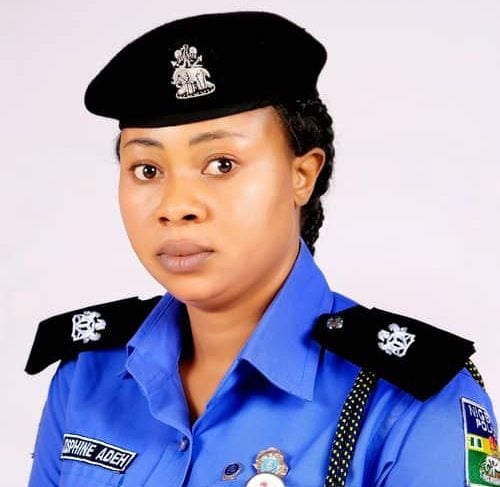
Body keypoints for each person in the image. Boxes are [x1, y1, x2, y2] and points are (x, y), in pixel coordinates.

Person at [25, 11, 498, 487]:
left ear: (302, 175)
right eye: (146, 170)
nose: (176, 206)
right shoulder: (85, 378)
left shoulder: (410, 406)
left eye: (221, 164)